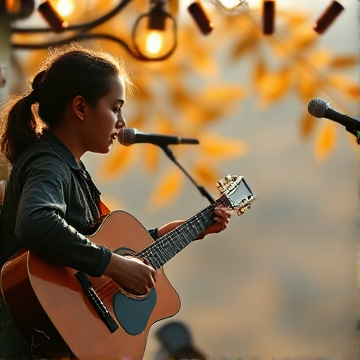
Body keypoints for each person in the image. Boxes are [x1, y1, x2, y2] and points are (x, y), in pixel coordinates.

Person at [0, 44, 231, 359]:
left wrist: (170, 234)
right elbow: (35, 222)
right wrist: (114, 264)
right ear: (80, 108)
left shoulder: (69, 166)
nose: (122, 122)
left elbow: (89, 241)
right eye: (116, 107)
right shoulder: (48, 163)